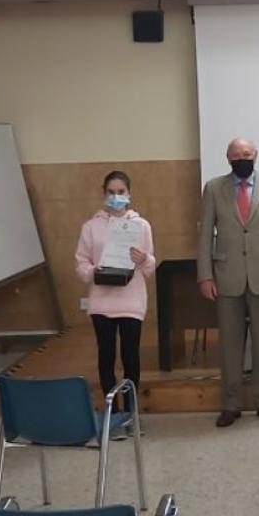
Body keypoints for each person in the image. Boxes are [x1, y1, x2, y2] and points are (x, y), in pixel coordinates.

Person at [197, 138, 259, 428]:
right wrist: (205, 275)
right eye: (236, 155)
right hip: (226, 275)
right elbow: (204, 235)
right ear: (228, 158)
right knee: (230, 343)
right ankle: (231, 403)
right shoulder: (213, 188)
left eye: (247, 154)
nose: (242, 159)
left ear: (256, 155)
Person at [74, 171, 157, 409]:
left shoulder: (141, 225)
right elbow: (81, 263)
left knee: (130, 357)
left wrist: (144, 259)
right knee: (106, 356)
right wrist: (94, 271)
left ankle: (131, 411)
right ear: (103, 193)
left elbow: (150, 265)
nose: (116, 197)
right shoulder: (90, 227)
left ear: (129, 194)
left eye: (121, 192)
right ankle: (113, 412)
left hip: (131, 301)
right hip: (102, 302)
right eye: (111, 192)